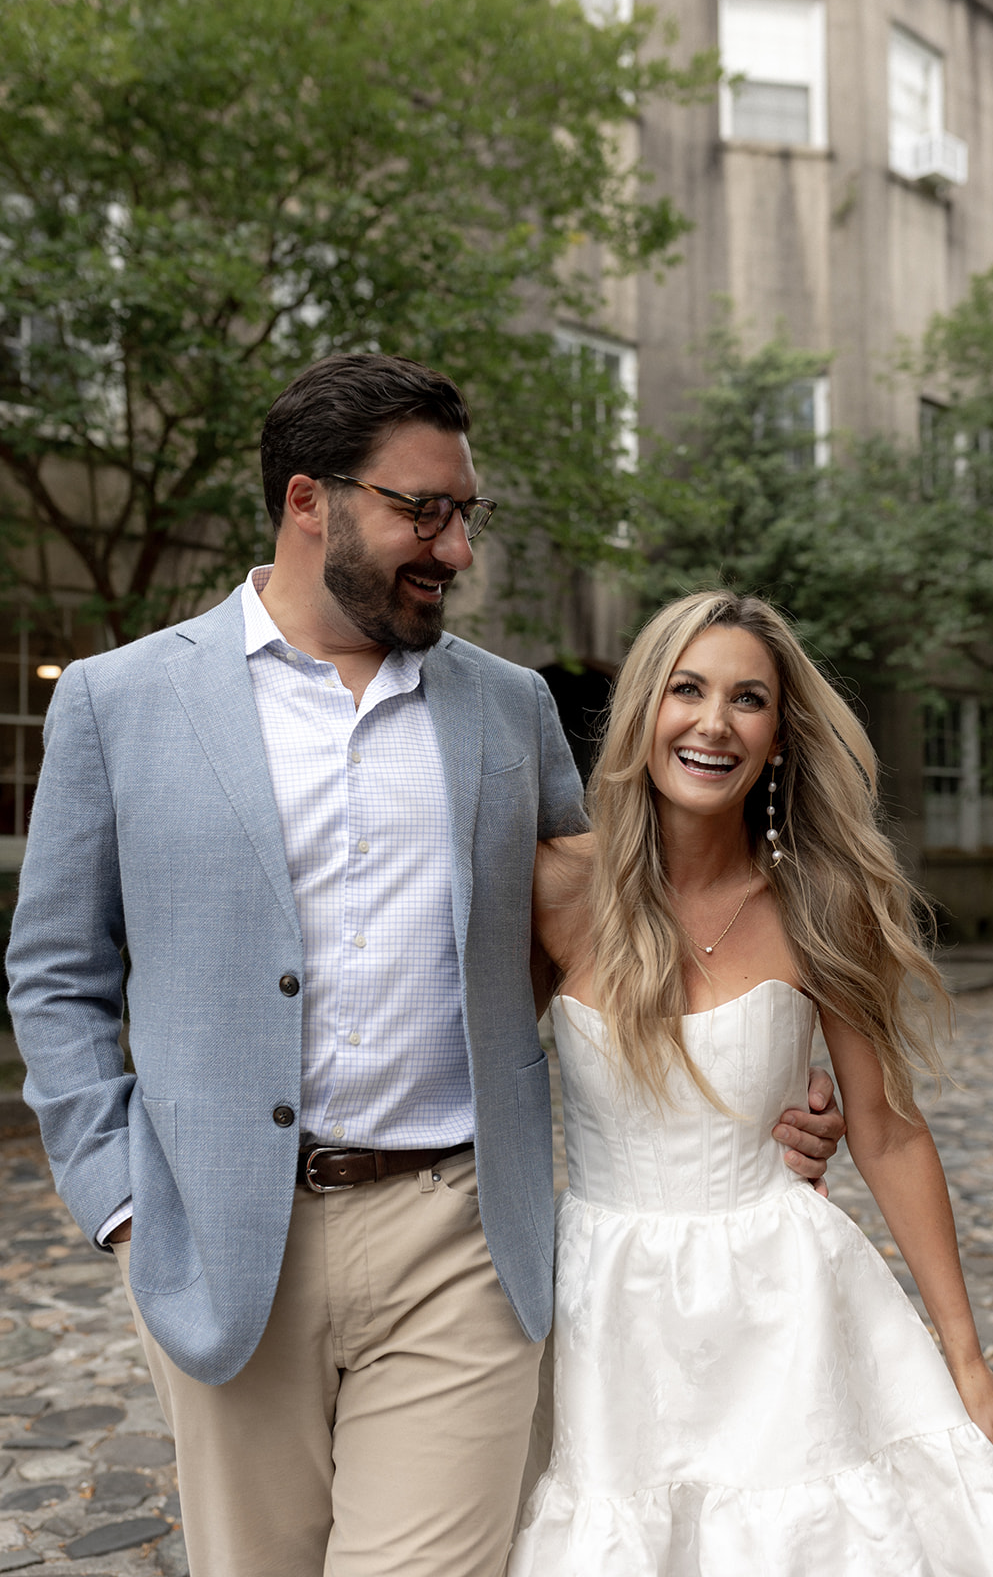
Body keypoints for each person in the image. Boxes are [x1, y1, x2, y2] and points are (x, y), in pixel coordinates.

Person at [4, 359, 845, 1577]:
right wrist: (121, 1204)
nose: (454, 549)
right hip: (222, 1237)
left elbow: (618, 927)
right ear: (310, 501)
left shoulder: (505, 709)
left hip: (458, 1234)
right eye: (424, 512)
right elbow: (55, 973)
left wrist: (763, 1070)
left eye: (466, 515)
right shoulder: (115, 701)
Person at [509, 590, 993, 1575]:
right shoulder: (554, 887)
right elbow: (476, 1077)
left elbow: (885, 1130)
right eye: (687, 689)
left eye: (746, 699)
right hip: (608, 1313)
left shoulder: (819, 901)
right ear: (643, 710)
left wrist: (967, 1363)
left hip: (784, 1307)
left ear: (776, 737)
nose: (713, 722)